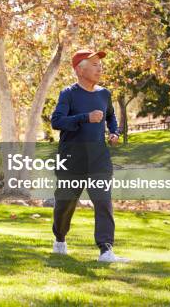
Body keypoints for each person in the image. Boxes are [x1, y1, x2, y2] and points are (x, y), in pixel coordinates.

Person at [50, 49, 129, 263]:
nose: (99, 67)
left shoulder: (104, 94)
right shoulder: (68, 93)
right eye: (94, 64)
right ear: (79, 69)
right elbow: (56, 121)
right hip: (72, 159)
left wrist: (114, 132)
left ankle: (106, 250)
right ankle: (59, 238)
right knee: (65, 204)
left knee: (103, 201)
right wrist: (85, 117)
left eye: (100, 64)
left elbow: (111, 117)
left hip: (98, 159)